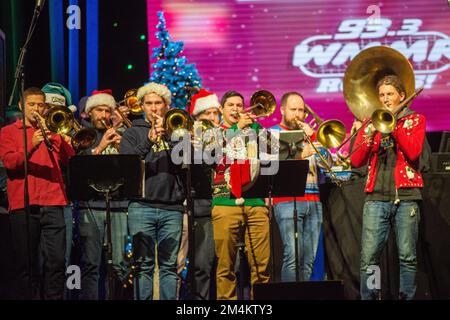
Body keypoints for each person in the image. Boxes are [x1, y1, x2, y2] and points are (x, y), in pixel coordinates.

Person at [351, 75, 425, 300]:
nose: (385, 99)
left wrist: (392, 126)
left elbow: (413, 152)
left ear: (401, 96)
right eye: (382, 95)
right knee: (370, 258)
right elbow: (356, 160)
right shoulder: (370, 122)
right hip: (375, 198)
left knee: (407, 257)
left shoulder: (414, 120)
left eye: (389, 94)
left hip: (406, 196)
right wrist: (373, 133)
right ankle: (370, 297)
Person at [0, 87, 75, 299]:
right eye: (32, 104)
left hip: (53, 201)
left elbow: (70, 159)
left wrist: (63, 139)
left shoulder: (52, 129)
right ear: (22, 106)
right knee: (26, 264)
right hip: (23, 204)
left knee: (57, 262)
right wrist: (31, 145)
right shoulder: (8, 132)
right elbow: (10, 163)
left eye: (40, 105)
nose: (37, 109)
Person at [120, 82, 185, 300]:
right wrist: (148, 142)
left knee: (169, 266)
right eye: (149, 103)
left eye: (158, 103)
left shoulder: (177, 132)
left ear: (166, 106)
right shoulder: (132, 134)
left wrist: (168, 137)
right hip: (141, 206)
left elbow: (186, 163)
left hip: (172, 207)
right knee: (143, 265)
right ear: (141, 106)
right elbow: (128, 167)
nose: (154, 108)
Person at [211, 90, 270, 300]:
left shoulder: (254, 130)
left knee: (262, 265)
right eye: (231, 105)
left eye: (239, 105)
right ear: (222, 109)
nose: (236, 109)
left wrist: (256, 127)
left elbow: (272, 151)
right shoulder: (213, 132)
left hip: (256, 202)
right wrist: (237, 128)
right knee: (226, 265)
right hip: (224, 202)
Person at [77, 90, 129, 299]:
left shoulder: (121, 135)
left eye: (108, 110)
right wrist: (100, 147)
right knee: (91, 263)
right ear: (89, 112)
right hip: (90, 206)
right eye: (99, 110)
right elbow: (78, 169)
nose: (104, 114)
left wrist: (122, 147)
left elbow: (132, 169)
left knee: (119, 264)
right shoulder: (82, 136)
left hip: (116, 205)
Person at [270, 92, 324, 282]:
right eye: (293, 109)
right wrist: (303, 152)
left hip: (314, 200)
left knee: (308, 261)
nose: (298, 114)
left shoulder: (311, 134)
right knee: (292, 257)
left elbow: (329, 164)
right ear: (282, 110)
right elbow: (272, 163)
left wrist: (316, 138)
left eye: (301, 110)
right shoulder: (273, 133)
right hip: (286, 201)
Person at [182, 89, 221, 300]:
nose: (213, 119)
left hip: (219, 206)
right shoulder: (187, 138)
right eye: (208, 114)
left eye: (216, 114)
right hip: (197, 206)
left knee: (212, 265)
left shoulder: (223, 137)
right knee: (198, 266)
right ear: (196, 117)